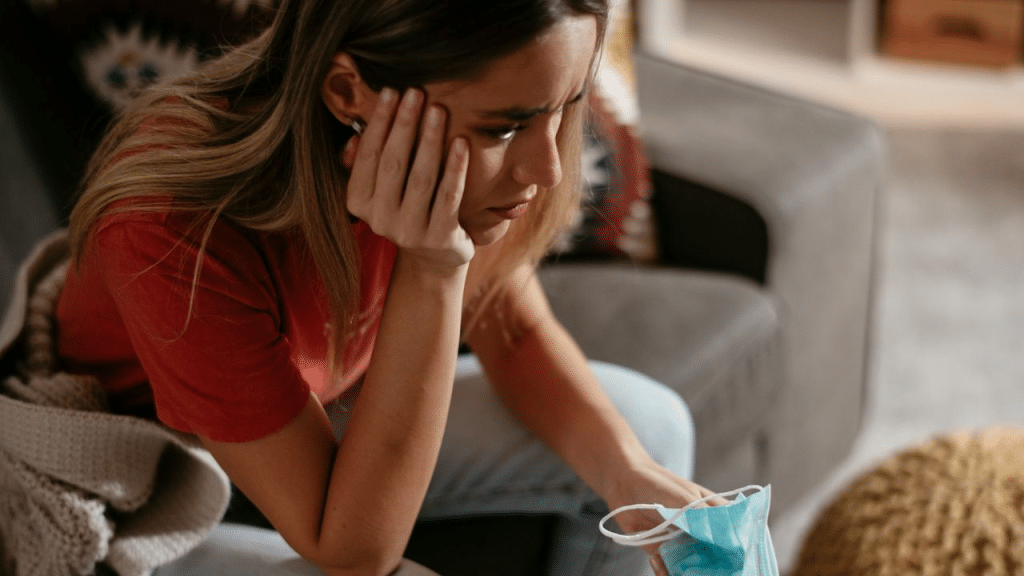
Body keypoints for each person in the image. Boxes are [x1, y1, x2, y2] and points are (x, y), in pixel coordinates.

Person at [55, 0, 726, 574]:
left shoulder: (448, 170)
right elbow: (352, 555)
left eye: (566, 104)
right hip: (161, 487)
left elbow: (513, 329)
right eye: (505, 126)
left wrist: (625, 476)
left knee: (649, 431)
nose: (546, 168)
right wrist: (433, 269)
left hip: (317, 415)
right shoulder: (169, 226)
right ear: (349, 92)